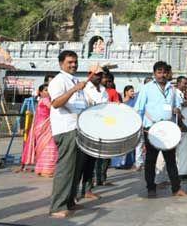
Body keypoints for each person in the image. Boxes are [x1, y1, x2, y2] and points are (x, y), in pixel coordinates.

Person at [133, 61, 187, 198]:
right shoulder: (147, 88)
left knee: (170, 160)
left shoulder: (172, 89)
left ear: (168, 73)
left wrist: (177, 110)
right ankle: (151, 188)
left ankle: (176, 188)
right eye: (159, 72)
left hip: (168, 129)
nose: (162, 75)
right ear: (154, 74)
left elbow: (177, 106)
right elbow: (139, 109)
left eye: (164, 72)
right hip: (151, 129)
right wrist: (139, 127)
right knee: (151, 160)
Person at [48, 50, 89, 219]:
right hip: (66, 129)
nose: (73, 65)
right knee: (65, 169)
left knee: (76, 168)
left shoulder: (75, 80)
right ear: (61, 64)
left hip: (78, 128)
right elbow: (56, 103)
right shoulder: (58, 81)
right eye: (69, 62)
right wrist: (74, 89)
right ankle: (57, 206)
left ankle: (70, 201)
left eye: (75, 62)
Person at [79, 64, 108, 199]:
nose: (99, 77)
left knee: (92, 161)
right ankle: (74, 191)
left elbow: (105, 107)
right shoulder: (83, 88)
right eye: (97, 74)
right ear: (90, 74)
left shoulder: (103, 90)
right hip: (85, 127)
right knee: (81, 162)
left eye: (100, 75)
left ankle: (88, 189)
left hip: (98, 128)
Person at [18, 84, 58, 177]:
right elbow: (54, 108)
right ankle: (47, 171)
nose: (48, 92)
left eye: (49, 90)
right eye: (45, 90)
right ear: (40, 92)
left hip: (41, 126)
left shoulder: (41, 100)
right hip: (45, 127)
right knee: (50, 147)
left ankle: (41, 169)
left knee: (42, 148)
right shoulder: (45, 100)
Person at [111, 85, 137, 169]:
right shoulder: (121, 102)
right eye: (131, 91)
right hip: (122, 124)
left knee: (130, 145)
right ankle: (117, 163)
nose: (133, 93)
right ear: (126, 92)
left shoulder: (135, 101)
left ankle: (128, 163)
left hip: (131, 125)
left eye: (133, 91)